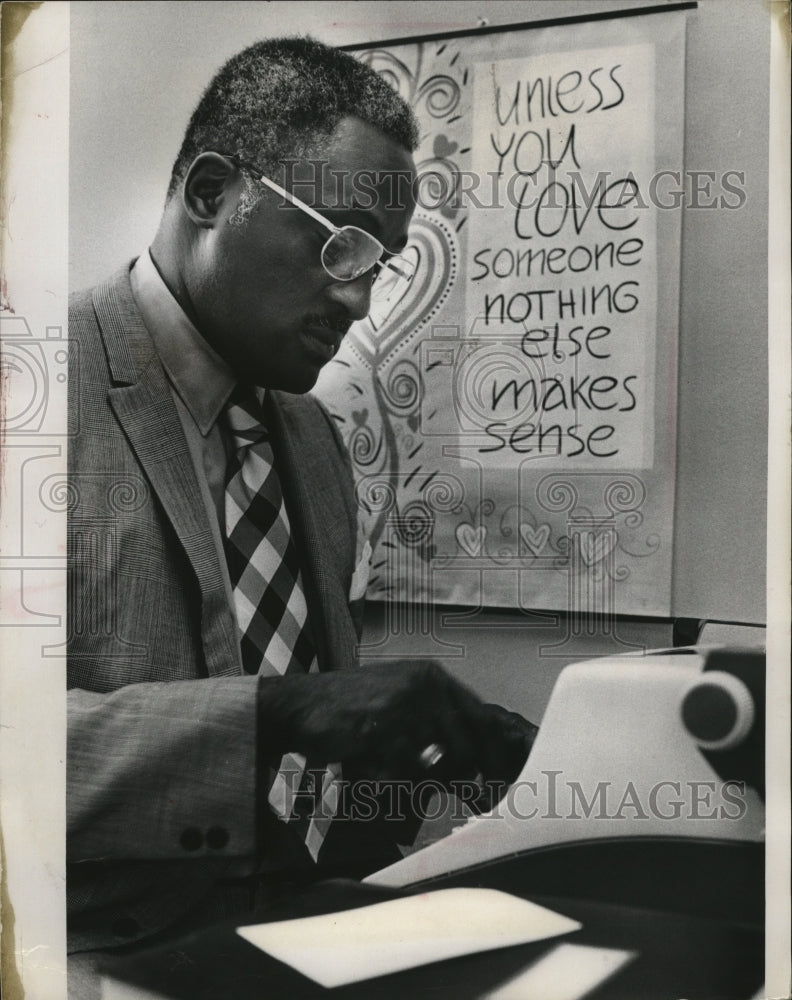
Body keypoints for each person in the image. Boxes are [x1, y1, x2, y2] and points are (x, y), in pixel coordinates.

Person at [67, 36, 537, 976]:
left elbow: (314, 736)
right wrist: (273, 721)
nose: (360, 298)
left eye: (382, 263)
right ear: (211, 193)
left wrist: (391, 762)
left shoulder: (316, 444)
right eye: (340, 243)